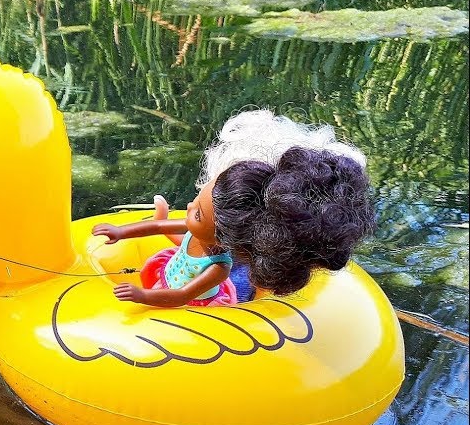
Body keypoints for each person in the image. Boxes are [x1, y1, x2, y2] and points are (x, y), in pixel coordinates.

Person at [92, 110, 375, 307]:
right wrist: (122, 231)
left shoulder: (220, 268)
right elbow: (165, 230)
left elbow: (182, 296)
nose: (189, 207)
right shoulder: (210, 227)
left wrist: (141, 296)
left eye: (198, 211)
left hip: (201, 304)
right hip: (175, 277)